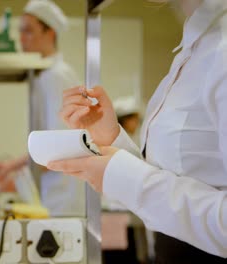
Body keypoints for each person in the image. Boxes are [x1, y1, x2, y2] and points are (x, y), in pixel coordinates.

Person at [48, 0, 227, 262]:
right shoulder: (198, 45)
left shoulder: (221, 48)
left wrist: (127, 179)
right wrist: (111, 138)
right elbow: (178, 179)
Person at [0, 0, 82, 216]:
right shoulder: (44, 74)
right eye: (20, 31)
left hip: (63, 199)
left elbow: (57, 147)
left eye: (28, 31)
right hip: (54, 195)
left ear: (50, 33)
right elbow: (47, 142)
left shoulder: (56, 76)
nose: (22, 38)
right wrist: (10, 166)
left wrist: (16, 181)